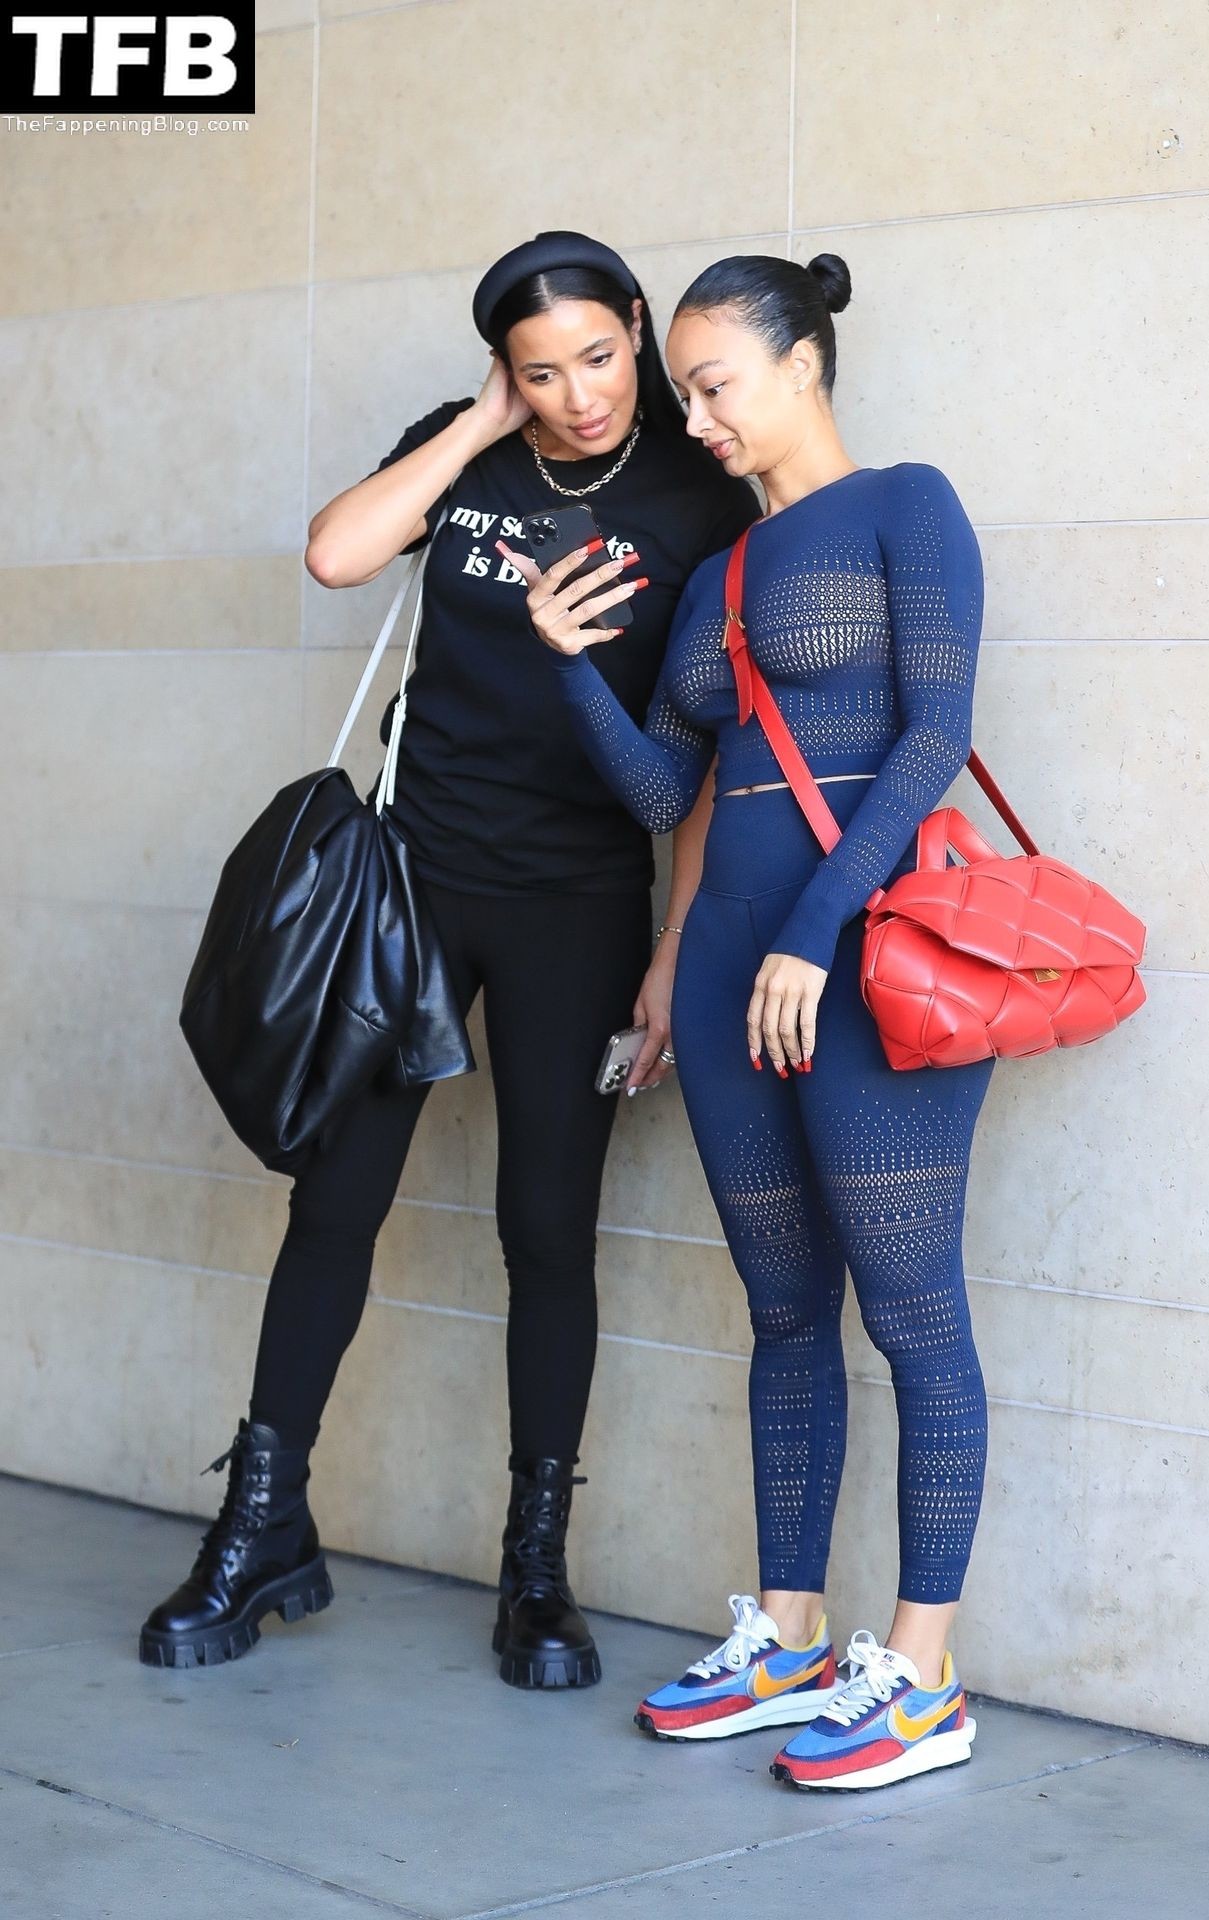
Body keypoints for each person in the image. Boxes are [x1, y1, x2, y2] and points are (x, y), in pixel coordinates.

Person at [138, 231, 759, 1688]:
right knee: (335, 1203)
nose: (579, 396)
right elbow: (337, 553)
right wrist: (478, 424)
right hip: (415, 883)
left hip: (579, 902)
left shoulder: (699, 491)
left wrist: (675, 946)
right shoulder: (470, 446)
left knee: (546, 1226)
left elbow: (712, 748)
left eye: (597, 357)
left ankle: (536, 1569)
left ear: (637, 328)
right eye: (540, 373)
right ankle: (261, 1528)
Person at [507, 250, 996, 1786]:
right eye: (687, 395)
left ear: (802, 365)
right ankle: (788, 1635)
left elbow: (936, 734)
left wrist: (812, 929)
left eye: (714, 386)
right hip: (729, 978)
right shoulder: (720, 578)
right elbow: (670, 790)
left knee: (913, 1315)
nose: (699, 419)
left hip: (862, 967)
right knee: (783, 1314)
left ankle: (924, 1675)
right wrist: (569, 669)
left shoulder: (908, 506)